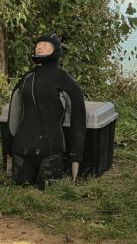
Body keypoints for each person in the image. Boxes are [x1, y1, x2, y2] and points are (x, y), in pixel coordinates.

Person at [5, 33, 86, 189]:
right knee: (21, 190)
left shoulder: (63, 79)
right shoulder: (26, 78)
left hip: (51, 151)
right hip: (22, 149)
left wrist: (76, 156)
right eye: (38, 44)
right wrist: (9, 149)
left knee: (47, 191)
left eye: (46, 44)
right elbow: (13, 115)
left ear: (55, 50)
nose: (40, 46)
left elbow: (78, 118)